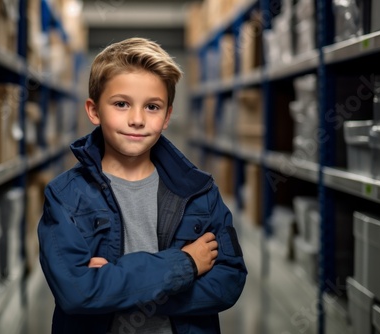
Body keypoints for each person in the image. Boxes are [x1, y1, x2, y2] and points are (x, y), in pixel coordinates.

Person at [38, 37, 247, 334]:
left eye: (152, 107)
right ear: (94, 111)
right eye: (121, 104)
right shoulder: (66, 197)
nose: (137, 120)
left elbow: (229, 281)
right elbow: (76, 293)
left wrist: (116, 286)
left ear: (167, 116)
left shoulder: (200, 193)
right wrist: (186, 263)